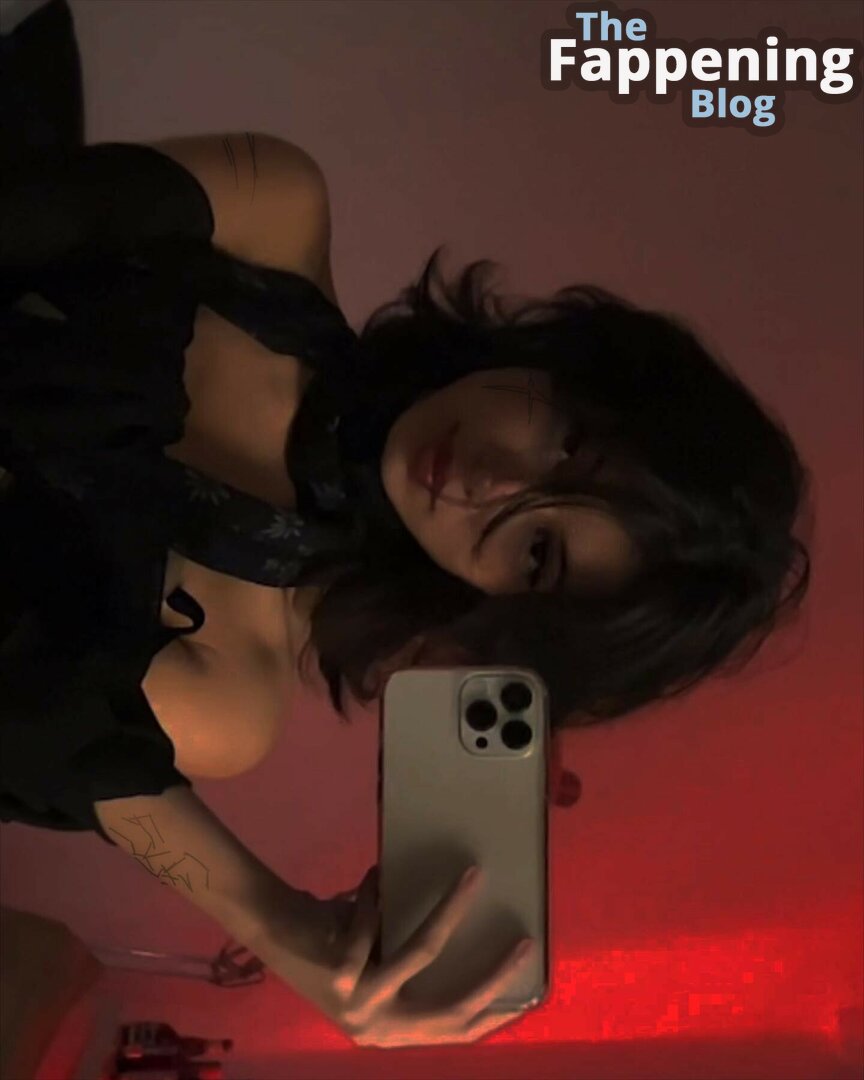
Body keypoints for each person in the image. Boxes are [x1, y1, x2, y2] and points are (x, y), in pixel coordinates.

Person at [0, 0, 810, 1052]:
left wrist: (280, 926)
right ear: (564, 361)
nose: (491, 479)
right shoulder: (270, 213)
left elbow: (41, 724)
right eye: (569, 442)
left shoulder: (222, 692)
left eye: (538, 553)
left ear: (506, 613)